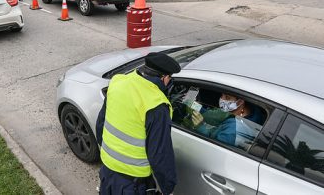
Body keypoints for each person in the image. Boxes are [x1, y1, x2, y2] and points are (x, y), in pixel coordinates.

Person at [96, 52, 181, 195]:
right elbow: (160, 154)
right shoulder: (156, 106)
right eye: (169, 78)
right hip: (131, 184)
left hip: (107, 171)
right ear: (164, 78)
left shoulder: (118, 82)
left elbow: (101, 124)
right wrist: (168, 188)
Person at [189, 93, 264, 148]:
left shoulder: (231, 131)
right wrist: (194, 105)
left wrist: (200, 126)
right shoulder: (249, 111)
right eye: (222, 95)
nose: (222, 99)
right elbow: (214, 115)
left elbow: (212, 149)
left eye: (227, 97)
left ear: (240, 102)